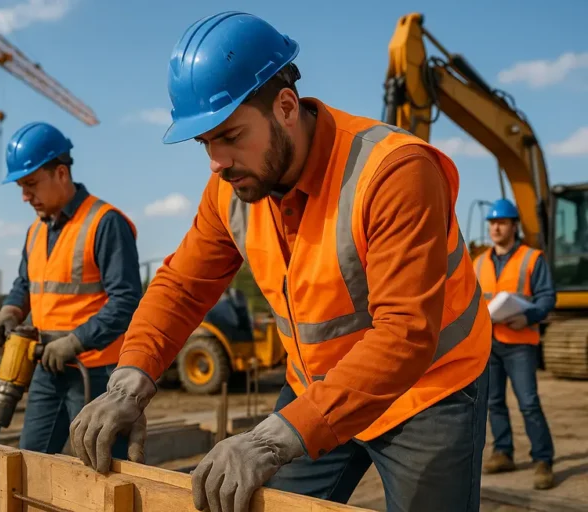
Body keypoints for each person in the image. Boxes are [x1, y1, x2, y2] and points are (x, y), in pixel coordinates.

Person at [69, 11, 493, 512]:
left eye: (229, 135)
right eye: (205, 143)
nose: (216, 162)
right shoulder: (230, 190)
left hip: (426, 391)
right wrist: (131, 377)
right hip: (316, 388)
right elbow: (182, 286)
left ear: (286, 106)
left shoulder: (393, 172)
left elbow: (405, 333)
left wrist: (273, 438)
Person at [0, 121, 143, 456]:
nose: (25, 196)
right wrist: (9, 310)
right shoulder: (35, 232)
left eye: (30, 184)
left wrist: (75, 341)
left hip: (96, 372)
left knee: (102, 467)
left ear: (61, 173)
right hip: (47, 367)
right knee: (31, 459)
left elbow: (127, 301)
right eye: (21, 187)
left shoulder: (105, 222)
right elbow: (25, 284)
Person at [473, 198, 556, 490]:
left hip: (520, 342)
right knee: (493, 402)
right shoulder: (479, 262)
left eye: (502, 222)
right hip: (489, 343)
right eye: (492, 223)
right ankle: (503, 452)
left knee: (529, 403)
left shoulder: (532, 258)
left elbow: (547, 297)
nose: (495, 227)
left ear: (514, 226)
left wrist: (528, 316)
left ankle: (543, 460)